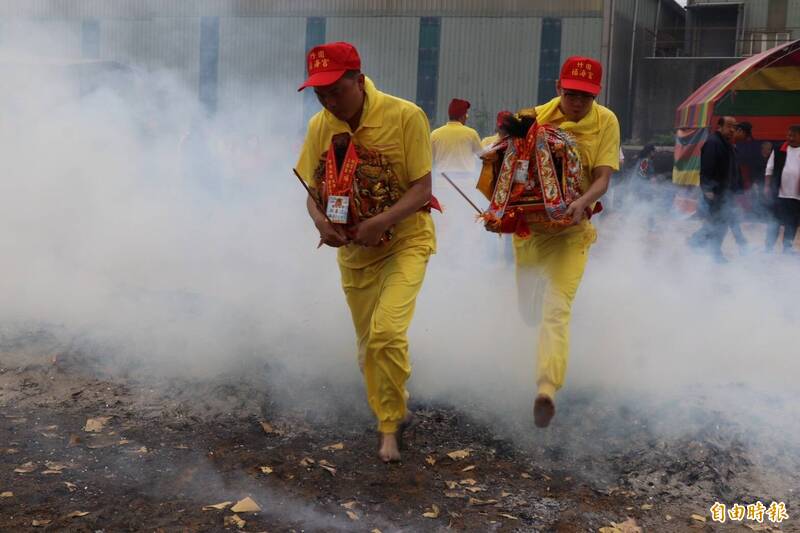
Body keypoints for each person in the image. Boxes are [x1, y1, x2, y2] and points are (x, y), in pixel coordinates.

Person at [295, 42, 437, 462]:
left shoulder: (405, 115)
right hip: (355, 252)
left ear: (359, 81)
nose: (328, 101)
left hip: (405, 242)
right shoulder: (321, 126)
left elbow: (422, 190)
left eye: (335, 90)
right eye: (320, 94)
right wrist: (323, 223)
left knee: (386, 333)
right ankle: (396, 402)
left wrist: (381, 221)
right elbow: (311, 192)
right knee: (366, 351)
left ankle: (388, 426)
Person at [479, 56, 620, 428]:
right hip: (530, 234)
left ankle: (546, 389)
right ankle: (531, 337)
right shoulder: (534, 118)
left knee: (556, 309)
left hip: (572, 234)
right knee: (529, 312)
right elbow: (502, 168)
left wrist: (581, 203)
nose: (578, 103)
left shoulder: (606, 122)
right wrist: (498, 212)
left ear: (596, 95)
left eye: (586, 97)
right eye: (572, 94)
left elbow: (603, 177)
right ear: (559, 87)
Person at [689, 116, 747, 261]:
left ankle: (703, 245)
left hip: (725, 193)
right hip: (715, 193)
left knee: (721, 222)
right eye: (729, 126)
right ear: (719, 126)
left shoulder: (726, 144)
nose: (732, 130)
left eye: (734, 127)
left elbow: (732, 169)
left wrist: (736, 189)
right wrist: (707, 189)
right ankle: (705, 247)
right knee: (718, 223)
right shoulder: (713, 143)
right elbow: (707, 167)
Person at [764, 125, 800, 253]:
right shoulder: (779, 148)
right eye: (788, 135)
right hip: (779, 193)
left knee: (792, 223)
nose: (789, 138)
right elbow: (769, 168)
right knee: (775, 222)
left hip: (796, 196)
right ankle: (768, 247)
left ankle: (787, 247)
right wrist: (767, 186)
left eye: (793, 135)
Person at [430, 98, 483, 177]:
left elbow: (429, 159)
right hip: (466, 182)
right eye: (466, 115)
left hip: (442, 181)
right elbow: (481, 155)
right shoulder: (471, 134)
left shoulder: (435, 134)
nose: (467, 118)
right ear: (462, 116)